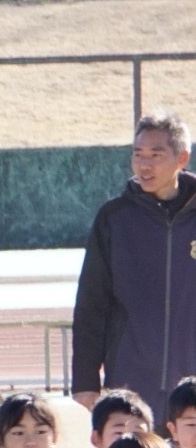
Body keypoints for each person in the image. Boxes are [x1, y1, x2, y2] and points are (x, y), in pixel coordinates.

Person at [71, 113, 196, 411]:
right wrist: (85, 381)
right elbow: (92, 302)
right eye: (138, 154)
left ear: (182, 158)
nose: (144, 164)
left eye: (155, 155)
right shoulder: (114, 218)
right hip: (131, 385)